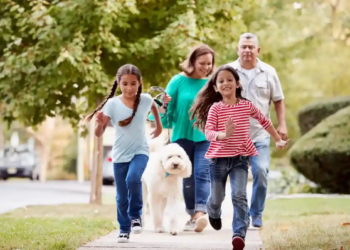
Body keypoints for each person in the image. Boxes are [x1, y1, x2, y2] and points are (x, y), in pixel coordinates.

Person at [190, 65, 289, 250]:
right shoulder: (215, 109)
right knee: (217, 197)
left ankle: (239, 234)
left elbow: (264, 120)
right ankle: (213, 210)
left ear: (237, 84)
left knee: (239, 195)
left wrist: (277, 139)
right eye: (221, 81)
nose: (225, 83)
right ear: (215, 88)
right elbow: (209, 132)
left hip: (240, 159)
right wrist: (223, 135)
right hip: (218, 159)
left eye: (229, 80)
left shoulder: (246, 105)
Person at [85, 64, 162, 243]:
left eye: (133, 83)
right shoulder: (112, 104)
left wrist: (158, 126)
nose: (129, 88)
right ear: (118, 83)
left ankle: (136, 217)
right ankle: (124, 229)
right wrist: (100, 123)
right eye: (125, 84)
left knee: (133, 179)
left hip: (140, 151)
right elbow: (98, 133)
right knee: (121, 197)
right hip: (119, 155)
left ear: (140, 82)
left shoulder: (145, 99)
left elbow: (153, 108)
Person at [152, 44, 216, 232]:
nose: (206, 67)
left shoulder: (212, 83)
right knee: (186, 176)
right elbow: (165, 109)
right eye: (202, 63)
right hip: (181, 136)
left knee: (202, 173)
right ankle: (191, 214)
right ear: (192, 61)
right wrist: (162, 108)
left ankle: (200, 213)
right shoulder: (178, 80)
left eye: (209, 64)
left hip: (205, 136)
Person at [227, 33, 288, 228]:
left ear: (258, 50)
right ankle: (241, 216)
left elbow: (278, 99)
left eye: (251, 47)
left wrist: (282, 124)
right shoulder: (228, 72)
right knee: (238, 179)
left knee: (261, 171)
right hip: (235, 136)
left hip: (261, 134)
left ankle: (257, 213)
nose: (247, 50)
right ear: (237, 49)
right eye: (243, 46)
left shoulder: (269, 72)